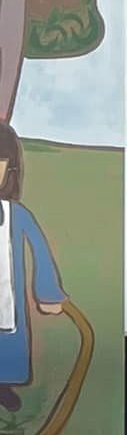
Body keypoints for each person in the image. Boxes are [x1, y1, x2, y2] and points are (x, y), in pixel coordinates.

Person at [0, 120, 66, 415]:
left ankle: (2, 386)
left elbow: (39, 250)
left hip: (5, 298)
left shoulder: (17, 215)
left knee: (7, 341)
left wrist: (48, 294)